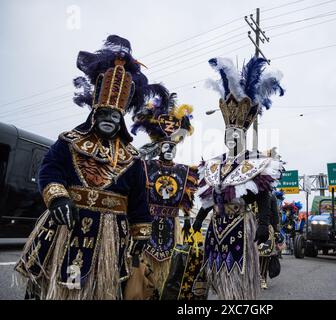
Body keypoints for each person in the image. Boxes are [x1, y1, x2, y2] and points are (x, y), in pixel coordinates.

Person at [15, 35, 152, 299]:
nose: (110, 120)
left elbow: (138, 198)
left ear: (121, 120)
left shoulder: (133, 158)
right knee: (55, 286)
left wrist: (141, 231)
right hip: (67, 225)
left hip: (111, 234)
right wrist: (58, 198)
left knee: (99, 289)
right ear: (94, 115)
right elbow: (50, 169)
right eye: (104, 114)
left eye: (115, 116)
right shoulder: (69, 142)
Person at [192, 56, 284, 299]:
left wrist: (264, 224)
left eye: (237, 135)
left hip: (241, 227)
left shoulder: (255, 164)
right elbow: (210, 198)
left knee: (238, 276)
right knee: (218, 273)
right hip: (216, 226)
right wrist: (198, 219)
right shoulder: (214, 165)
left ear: (243, 136)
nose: (233, 138)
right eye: (229, 134)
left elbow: (264, 197)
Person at [130, 89, 199, 298]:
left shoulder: (185, 170)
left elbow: (187, 199)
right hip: (146, 223)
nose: (169, 150)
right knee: (142, 269)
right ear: (159, 147)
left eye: (172, 147)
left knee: (170, 272)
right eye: (165, 146)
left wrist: (188, 220)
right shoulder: (144, 165)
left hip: (172, 224)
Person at [258, 192, 281, 289]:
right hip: (247, 227)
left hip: (266, 227)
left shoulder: (271, 195)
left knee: (264, 253)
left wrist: (276, 232)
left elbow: (275, 215)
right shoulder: (246, 192)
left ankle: (262, 278)